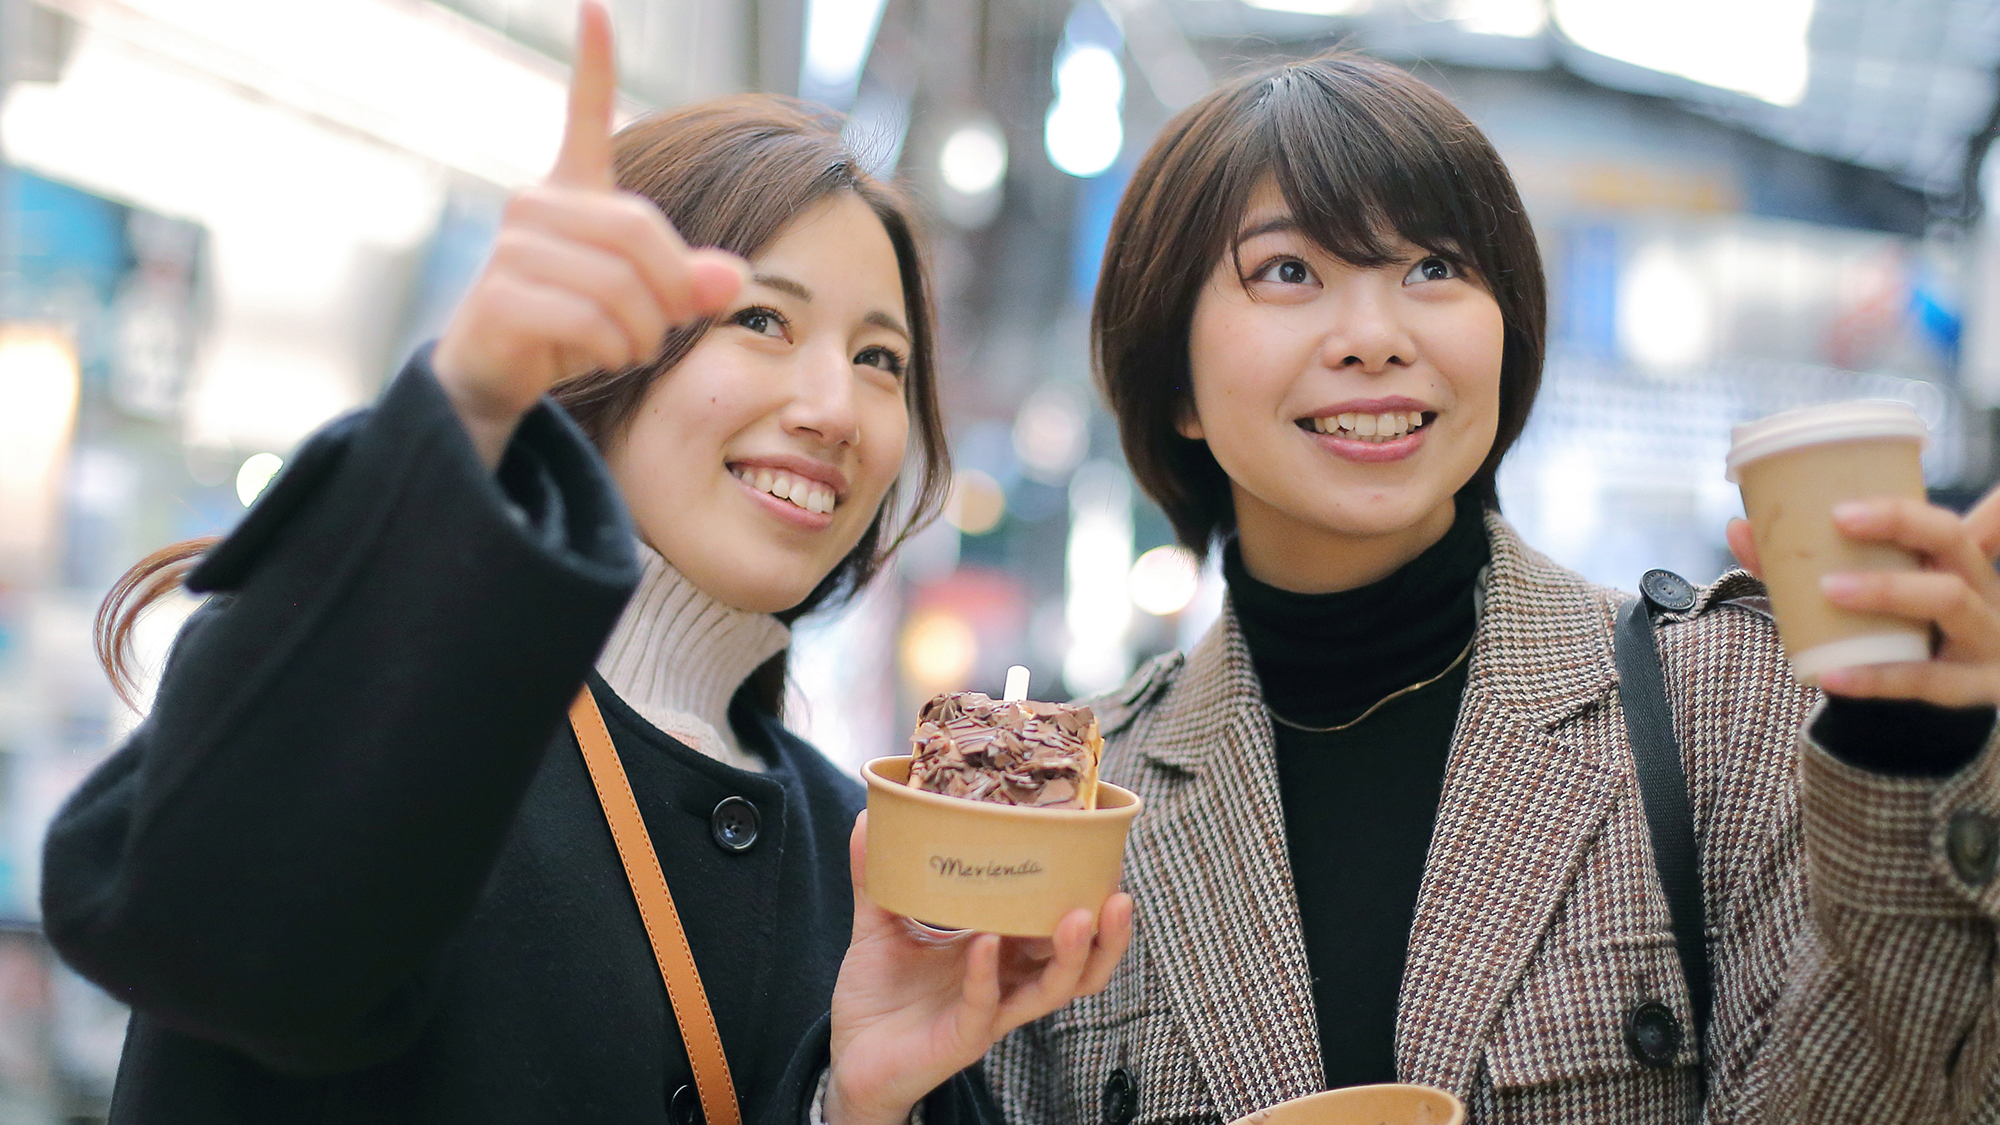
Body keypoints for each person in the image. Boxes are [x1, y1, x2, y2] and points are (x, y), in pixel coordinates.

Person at [40, 8, 1130, 1125]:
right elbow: (195, 933)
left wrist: (858, 1103)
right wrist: (468, 400)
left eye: (879, 360)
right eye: (760, 319)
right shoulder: (409, 719)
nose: (830, 408)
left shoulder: (852, 849)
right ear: (603, 346)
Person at [985, 51, 2000, 1124]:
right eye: (1286, 272)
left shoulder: (1720, 706)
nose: (1375, 339)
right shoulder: (1082, 806)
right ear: (1173, 380)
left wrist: (1914, 755)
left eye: (1432, 267)